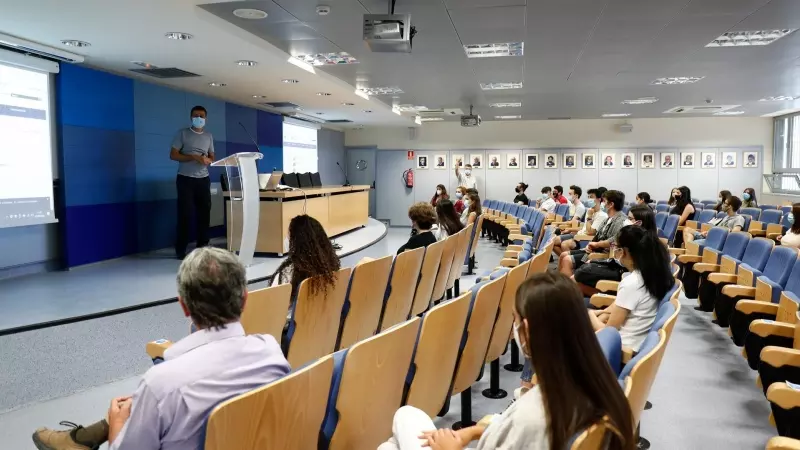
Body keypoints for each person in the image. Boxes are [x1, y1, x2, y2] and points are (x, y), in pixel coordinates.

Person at [32, 248, 291, 450]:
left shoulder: (161, 383)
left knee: (137, 410)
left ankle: (81, 439)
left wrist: (118, 423)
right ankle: (78, 440)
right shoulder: (271, 352)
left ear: (184, 306)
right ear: (245, 299)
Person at [379, 272, 635, 450]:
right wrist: (474, 432)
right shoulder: (596, 383)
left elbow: (524, 430)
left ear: (527, 329)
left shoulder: (533, 415)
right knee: (400, 431)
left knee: (403, 419)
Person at [588, 226, 674, 351]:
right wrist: (601, 313)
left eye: (617, 248)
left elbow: (608, 332)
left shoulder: (632, 283)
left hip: (618, 349)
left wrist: (590, 315)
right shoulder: (653, 274)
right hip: (633, 341)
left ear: (624, 251)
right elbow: (620, 306)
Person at [171, 105, 215, 259]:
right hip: (185, 179)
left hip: (203, 179)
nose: (199, 118)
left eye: (202, 116)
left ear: (206, 118)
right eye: (196, 115)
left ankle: (203, 247)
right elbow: (173, 155)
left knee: (204, 213)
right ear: (191, 117)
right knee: (185, 214)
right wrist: (193, 157)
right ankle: (181, 249)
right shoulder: (182, 133)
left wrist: (207, 160)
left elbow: (212, 156)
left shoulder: (208, 136)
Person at [268, 215, 341, 300]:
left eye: (289, 237)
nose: (286, 240)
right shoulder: (332, 270)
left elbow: (273, 304)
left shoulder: (286, 274)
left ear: (295, 243)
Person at [559, 190, 628, 277]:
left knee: (567, 260)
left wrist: (595, 244)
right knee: (563, 255)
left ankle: (568, 288)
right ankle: (560, 282)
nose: (602, 204)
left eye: (604, 201)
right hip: (596, 249)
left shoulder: (620, 220)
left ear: (611, 204)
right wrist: (590, 245)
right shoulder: (609, 218)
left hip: (605, 254)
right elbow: (598, 235)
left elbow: (613, 240)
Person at [556, 188, 608, 256]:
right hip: (580, 235)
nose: (589, 199)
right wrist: (571, 230)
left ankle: (570, 262)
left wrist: (589, 217)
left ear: (599, 199)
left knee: (564, 244)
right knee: (554, 243)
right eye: (588, 197)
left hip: (586, 239)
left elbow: (591, 232)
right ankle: (568, 261)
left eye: (591, 197)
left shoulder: (602, 215)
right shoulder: (589, 210)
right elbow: (584, 227)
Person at [550, 186, 586, 255]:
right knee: (551, 242)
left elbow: (573, 222)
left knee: (552, 241)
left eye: (570, 194)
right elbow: (570, 220)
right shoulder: (572, 206)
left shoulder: (580, 207)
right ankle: (564, 259)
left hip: (574, 232)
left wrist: (561, 225)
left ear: (576, 195)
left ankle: (566, 259)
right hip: (568, 228)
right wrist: (560, 225)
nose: (568, 196)